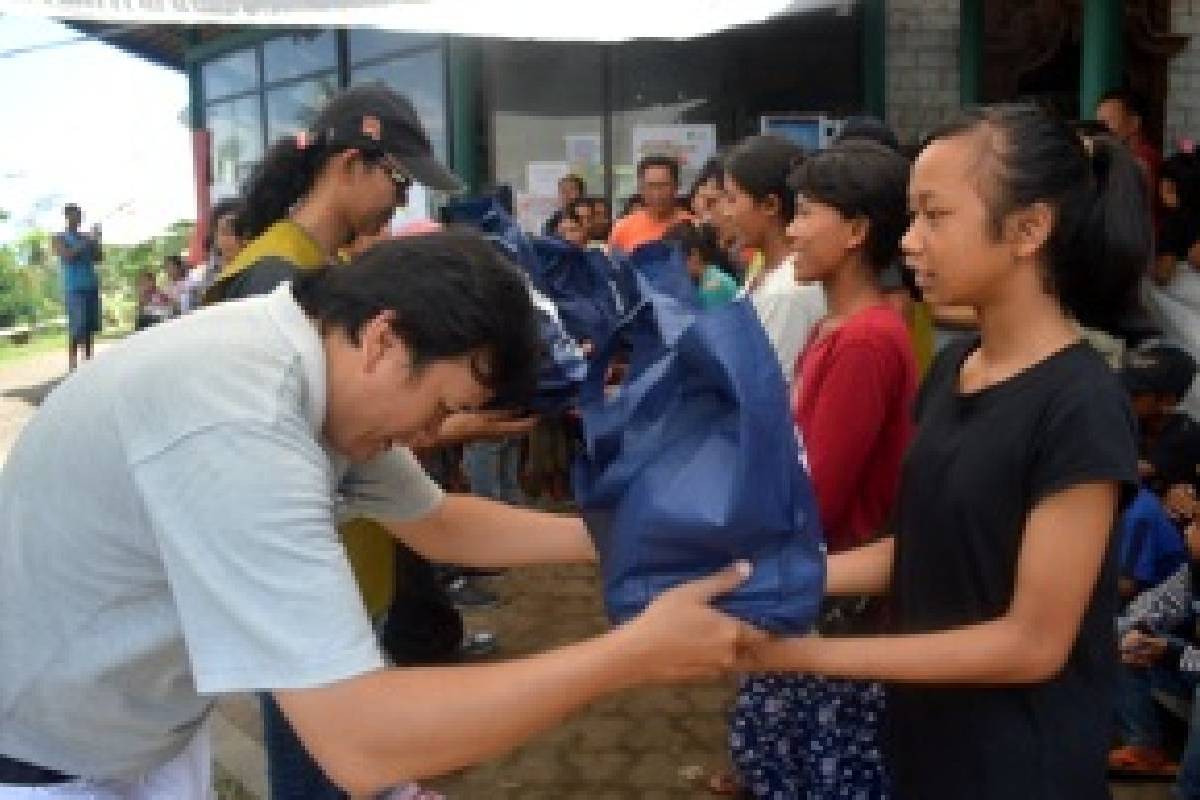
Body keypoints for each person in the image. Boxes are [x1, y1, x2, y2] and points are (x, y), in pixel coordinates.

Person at [0, 233, 759, 800]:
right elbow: (358, 741)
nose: (431, 438)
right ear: (386, 338)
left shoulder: (313, 366)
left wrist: (629, 539)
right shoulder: (243, 423)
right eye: (440, 410)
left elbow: (437, 522)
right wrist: (628, 656)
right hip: (49, 751)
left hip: (142, 721)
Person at [738, 103, 1150, 800]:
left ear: (1028, 229)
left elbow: (1031, 642)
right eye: (911, 215)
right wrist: (783, 578)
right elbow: (920, 549)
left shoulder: (1080, 405)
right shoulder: (954, 368)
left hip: (1019, 765)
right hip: (928, 741)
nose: (910, 242)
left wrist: (801, 654)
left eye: (935, 215)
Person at [199, 83, 515, 800]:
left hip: (346, 574)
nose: (400, 206)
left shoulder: (323, 271)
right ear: (349, 165)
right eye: (398, 183)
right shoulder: (274, 284)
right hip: (307, 596)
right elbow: (292, 456)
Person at [729, 140, 917, 799]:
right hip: (814, 594)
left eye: (809, 213)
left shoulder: (864, 340)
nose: (795, 230)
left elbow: (818, 499)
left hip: (833, 608)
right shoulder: (839, 328)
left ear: (859, 231)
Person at [1111, 421, 1200, 789]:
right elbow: (1148, 610)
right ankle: (1143, 746)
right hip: (1188, 663)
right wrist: (1140, 636)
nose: (1186, 528)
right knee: (1121, 633)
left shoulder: (1139, 512)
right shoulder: (1192, 572)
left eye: (1196, 522)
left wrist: (1169, 652)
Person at [722, 135, 826, 381]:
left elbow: (767, 388)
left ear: (770, 205)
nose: (726, 212)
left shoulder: (786, 292)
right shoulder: (764, 269)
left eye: (732, 198)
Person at [1096, 87, 1162, 217]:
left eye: (1108, 121)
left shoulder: (1144, 157)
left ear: (1134, 123)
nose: (1101, 128)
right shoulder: (1120, 156)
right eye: (1099, 122)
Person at [51, 203, 102, 371]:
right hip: (74, 289)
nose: (78, 218)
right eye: (75, 215)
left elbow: (98, 258)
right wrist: (87, 241)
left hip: (91, 286)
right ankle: (73, 366)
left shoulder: (85, 237)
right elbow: (67, 256)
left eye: (80, 215)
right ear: (67, 217)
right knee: (77, 327)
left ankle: (88, 363)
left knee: (89, 328)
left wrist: (96, 241)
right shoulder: (59, 237)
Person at [608, 156, 692, 254]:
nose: (657, 193)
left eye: (663, 185)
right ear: (641, 188)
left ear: (676, 187)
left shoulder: (693, 227)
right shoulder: (622, 229)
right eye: (651, 185)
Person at [661, 221, 738, 308]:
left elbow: (716, 320)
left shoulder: (713, 286)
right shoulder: (706, 279)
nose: (675, 266)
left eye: (678, 259)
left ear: (695, 254)